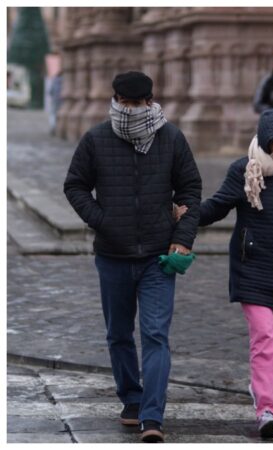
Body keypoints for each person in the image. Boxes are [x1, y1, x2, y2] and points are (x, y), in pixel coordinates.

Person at [63, 71, 202, 443]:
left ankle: (152, 417)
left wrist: (183, 237)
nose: (131, 110)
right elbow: (74, 185)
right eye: (124, 103)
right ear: (115, 101)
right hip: (112, 255)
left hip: (158, 257)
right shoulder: (96, 139)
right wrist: (102, 221)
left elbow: (190, 189)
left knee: (156, 335)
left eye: (137, 104)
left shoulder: (171, 138)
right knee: (118, 334)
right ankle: (132, 399)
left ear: (150, 101)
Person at [178, 108, 273, 439]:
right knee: (265, 338)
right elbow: (216, 207)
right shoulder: (245, 170)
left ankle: (260, 386)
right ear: (265, 142)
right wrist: (186, 217)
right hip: (252, 267)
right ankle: (268, 409)